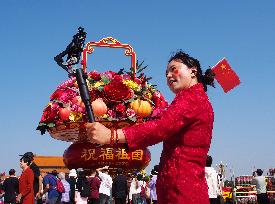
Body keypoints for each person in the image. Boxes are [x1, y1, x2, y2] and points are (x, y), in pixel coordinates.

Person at [86, 50, 215, 204]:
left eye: (173, 69)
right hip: (178, 187)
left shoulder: (192, 98)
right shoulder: (190, 98)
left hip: (183, 191)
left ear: (193, 71)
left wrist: (112, 135)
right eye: (166, 72)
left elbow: (161, 127)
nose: (168, 75)